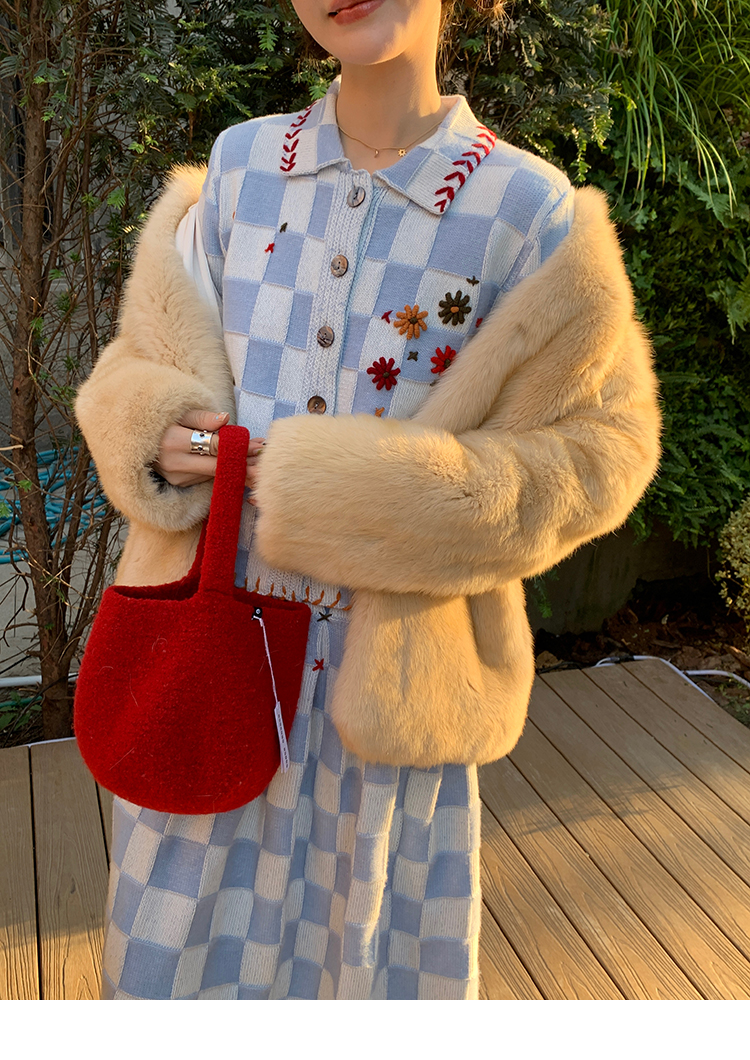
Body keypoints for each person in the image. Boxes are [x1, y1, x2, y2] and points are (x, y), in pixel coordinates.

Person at [75, 0, 661, 999]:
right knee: (176, 971)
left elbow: (599, 453)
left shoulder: (528, 211)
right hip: (213, 661)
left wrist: (365, 496)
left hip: (391, 694)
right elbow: (142, 361)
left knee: (367, 975)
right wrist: (158, 429)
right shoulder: (242, 170)